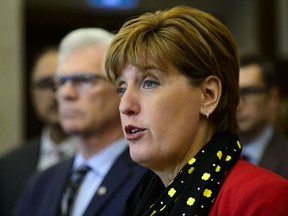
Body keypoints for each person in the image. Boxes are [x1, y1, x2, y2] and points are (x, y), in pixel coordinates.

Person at [104, 5, 288, 215]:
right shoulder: (140, 199)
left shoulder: (261, 197)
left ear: (208, 95)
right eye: (122, 88)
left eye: (149, 83)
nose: (125, 106)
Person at [16, 28, 146, 216]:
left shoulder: (149, 176)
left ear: (120, 88)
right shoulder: (42, 182)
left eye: (84, 79)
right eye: (61, 82)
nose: (66, 93)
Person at [0, 46, 77, 216]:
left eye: (63, 81)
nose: (57, 94)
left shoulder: (101, 159)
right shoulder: (7, 168)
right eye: (46, 84)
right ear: (33, 94)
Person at [237, 54, 288, 178]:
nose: (238, 104)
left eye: (249, 92)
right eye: (233, 93)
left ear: (272, 98)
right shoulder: (216, 156)